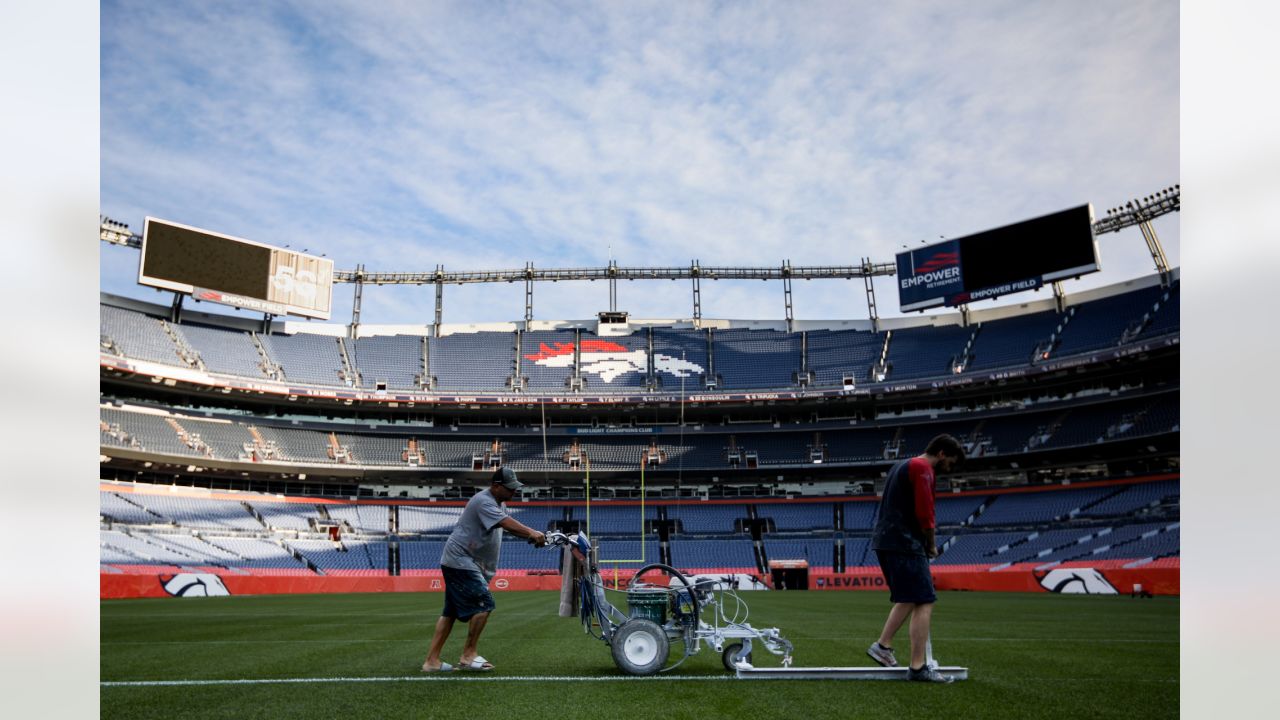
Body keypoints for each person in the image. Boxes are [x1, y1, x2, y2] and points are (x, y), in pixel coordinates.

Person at [422, 467, 546, 673]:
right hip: (461, 560)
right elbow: (505, 523)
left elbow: (504, 526)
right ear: (496, 486)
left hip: (462, 561)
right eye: (510, 488)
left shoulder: (499, 503)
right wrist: (532, 532)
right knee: (484, 604)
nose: (514, 492)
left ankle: (431, 662)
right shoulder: (484, 501)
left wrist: (530, 537)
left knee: (450, 612)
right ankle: (468, 655)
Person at [866, 433, 965, 683]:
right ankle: (917, 666)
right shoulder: (923, 468)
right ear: (942, 453)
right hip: (905, 543)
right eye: (950, 462)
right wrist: (931, 544)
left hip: (888, 540)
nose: (949, 468)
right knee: (925, 599)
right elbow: (925, 511)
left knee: (912, 597)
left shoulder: (903, 464)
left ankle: (884, 647)